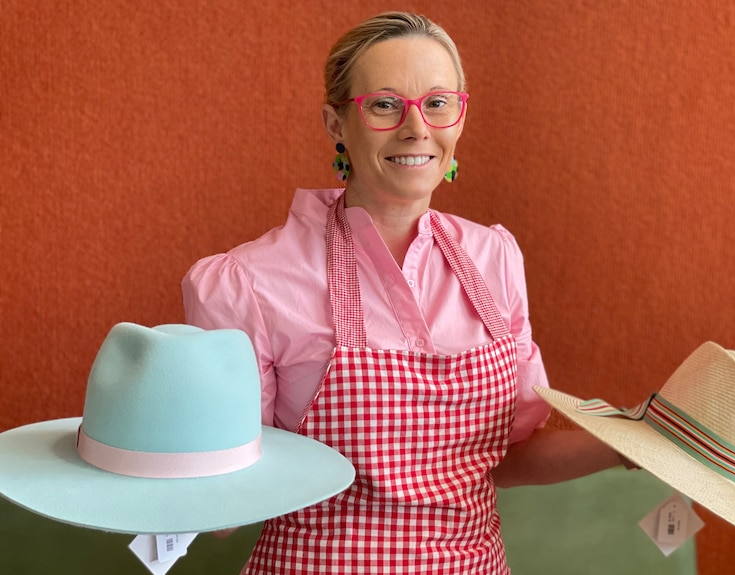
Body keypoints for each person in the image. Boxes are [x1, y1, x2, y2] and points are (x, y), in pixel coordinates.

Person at [182, 11, 629, 574]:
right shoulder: (249, 282)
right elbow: (225, 504)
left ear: (460, 116)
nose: (417, 128)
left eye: (438, 103)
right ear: (335, 123)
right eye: (385, 104)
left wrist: (637, 443)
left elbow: (502, 459)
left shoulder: (495, 260)